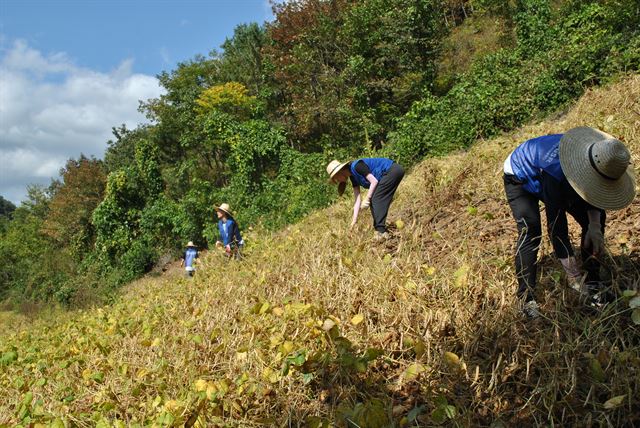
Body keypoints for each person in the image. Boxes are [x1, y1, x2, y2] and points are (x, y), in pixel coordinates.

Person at [503, 127, 635, 318]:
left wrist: (595, 226)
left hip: (559, 172)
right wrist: (574, 278)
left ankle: (593, 283)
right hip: (520, 173)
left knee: (595, 221)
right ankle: (526, 298)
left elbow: (594, 196)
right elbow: (557, 229)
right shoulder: (556, 175)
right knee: (531, 232)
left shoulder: (599, 158)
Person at [326, 157, 405, 240]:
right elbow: (357, 199)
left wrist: (367, 199)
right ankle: (380, 230)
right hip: (390, 174)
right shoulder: (353, 176)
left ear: (339, 172)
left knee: (375, 199)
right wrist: (354, 220)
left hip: (393, 171)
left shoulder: (357, 166)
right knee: (374, 200)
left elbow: (374, 181)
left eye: (336, 179)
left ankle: (381, 231)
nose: (338, 181)